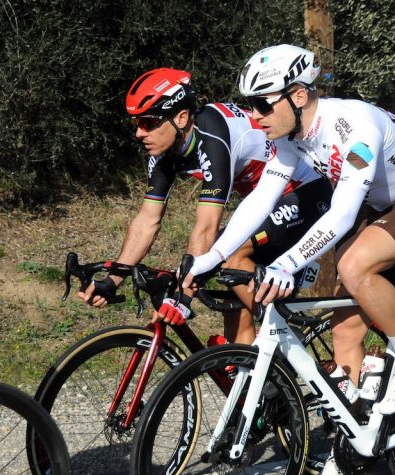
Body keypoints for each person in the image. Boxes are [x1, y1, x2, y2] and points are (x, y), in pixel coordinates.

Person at [184, 44, 395, 475]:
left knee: (353, 265)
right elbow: (259, 200)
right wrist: (211, 258)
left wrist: (288, 263)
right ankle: (353, 444)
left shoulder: (353, 125)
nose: (253, 116)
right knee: (345, 334)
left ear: (297, 95)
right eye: (247, 105)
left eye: (261, 104)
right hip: (382, 208)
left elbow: (340, 213)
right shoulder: (292, 139)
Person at [78, 68, 332, 343]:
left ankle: (288, 341)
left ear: (182, 117)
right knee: (232, 292)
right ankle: (255, 374)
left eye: (147, 122)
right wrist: (114, 277)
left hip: (306, 191)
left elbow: (207, 225)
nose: (140, 133)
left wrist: (182, 295)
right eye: (136, 124)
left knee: (232, 255)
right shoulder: (165, 151)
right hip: (266, 201)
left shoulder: (212, 130)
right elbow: (147, 221)